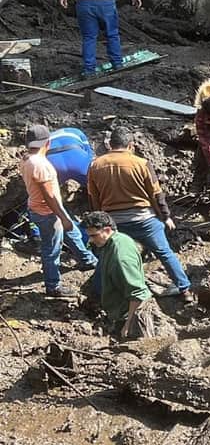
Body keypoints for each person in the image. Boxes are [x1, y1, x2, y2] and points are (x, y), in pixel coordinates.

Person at [87, 126, 193, 303]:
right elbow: (156, 194)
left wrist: (100, 224)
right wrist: (165, 216)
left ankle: (96, 296)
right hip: (145, 221)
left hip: (114, 224)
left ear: (110, 145)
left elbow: (93, 198)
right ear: (131, 145)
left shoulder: (95, 165)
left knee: (107, 257)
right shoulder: (141, 163)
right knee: (165, 253)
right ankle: (185, 290)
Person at [21, 124, 98, 297]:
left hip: (40, 208)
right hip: (48, 211)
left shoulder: (27, 159)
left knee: (72, 234)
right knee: (51, 249)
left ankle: (87, 260)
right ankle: (53, 286)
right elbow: (49, 196)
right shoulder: (41, 165)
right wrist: (61, 216)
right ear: (47, 143)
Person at [81, 211, 155, 340]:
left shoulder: (121, 258)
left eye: (94, 236)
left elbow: (138, 293)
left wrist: (128, 324)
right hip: (120, 311)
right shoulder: (116, 240)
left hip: (131, 315)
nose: (91, 240)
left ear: (108, 230)